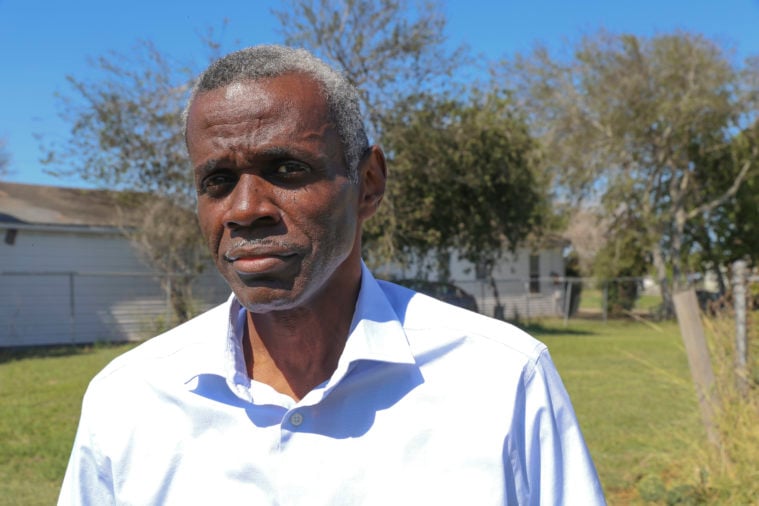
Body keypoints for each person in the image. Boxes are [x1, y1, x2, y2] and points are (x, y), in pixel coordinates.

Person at [59, 45, 605, 505]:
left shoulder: (500, 380)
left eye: (287, 169)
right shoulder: (130, 400)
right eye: (218, 180)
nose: (245, 209)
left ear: (368, 183)